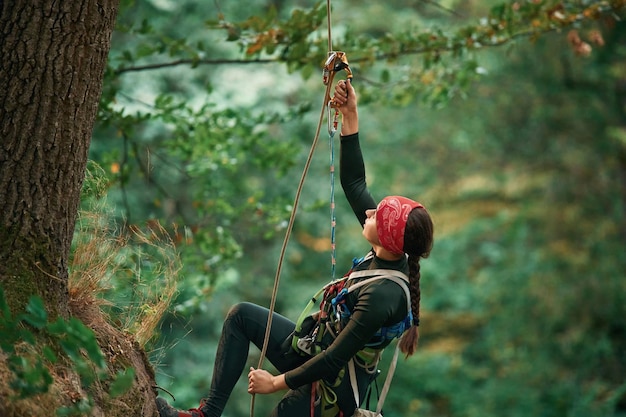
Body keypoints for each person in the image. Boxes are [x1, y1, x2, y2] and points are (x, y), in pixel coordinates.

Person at [156, 79, 434, 417]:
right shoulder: (391, 251)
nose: (371, 211)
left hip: (332, 388)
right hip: (312, 348)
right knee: (241, 317)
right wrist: (350, 116)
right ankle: (207, 413)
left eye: (379, 215)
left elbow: (334, 360)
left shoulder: (384, 295)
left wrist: (274, 383)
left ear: (388, 236)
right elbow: (354, 183)